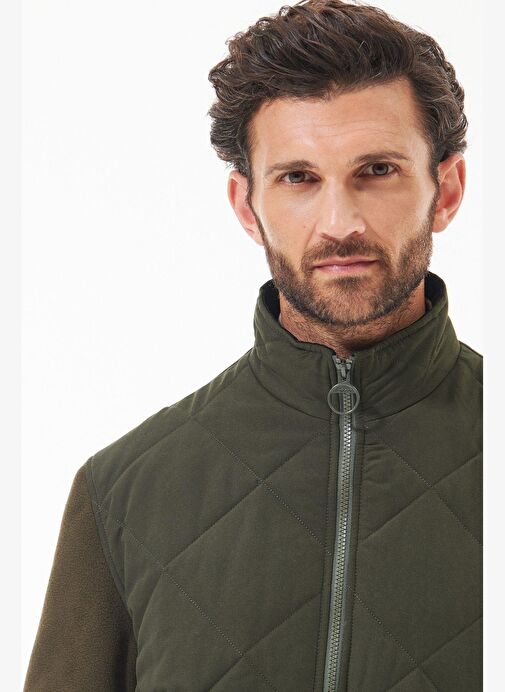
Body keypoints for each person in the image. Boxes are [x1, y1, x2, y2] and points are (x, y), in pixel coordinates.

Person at [24, 1, 482, 690]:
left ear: (444, 191)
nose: (340, 222)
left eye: (377, 170)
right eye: (298, 178)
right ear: (246, 206)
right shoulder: (122, 492)